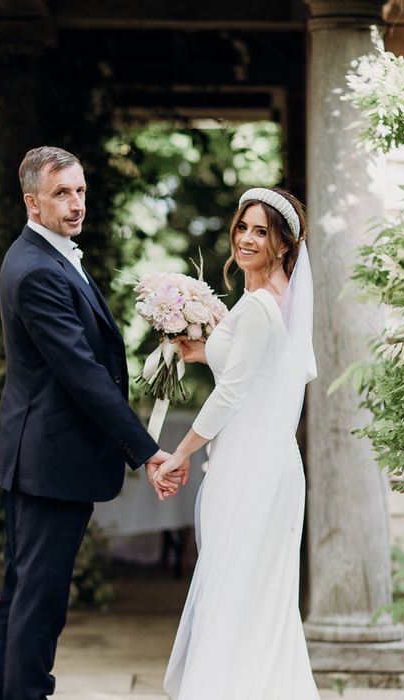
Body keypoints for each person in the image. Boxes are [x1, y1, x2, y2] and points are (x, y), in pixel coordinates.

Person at [0, 146, 187, 700]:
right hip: (51, 459)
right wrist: (148, 450)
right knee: (39, 601)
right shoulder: (36, 271)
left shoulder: (48, 254)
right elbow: (83, 374)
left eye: (79, 190)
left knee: (25, 594)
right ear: (32, 202)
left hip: (41, 454)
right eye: (61, 194)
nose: (76, 204)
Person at [156, 187, 320, 699]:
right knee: (259, 594)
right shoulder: (278, 304)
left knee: (235, 590)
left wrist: (179, 453)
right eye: (243, 227)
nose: (247, 238)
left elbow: (230, 395)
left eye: (261, 231)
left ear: (284, 245)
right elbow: (265, 369)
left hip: (248, 468)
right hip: (276, 465)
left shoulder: (258, 308)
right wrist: (204, 350)